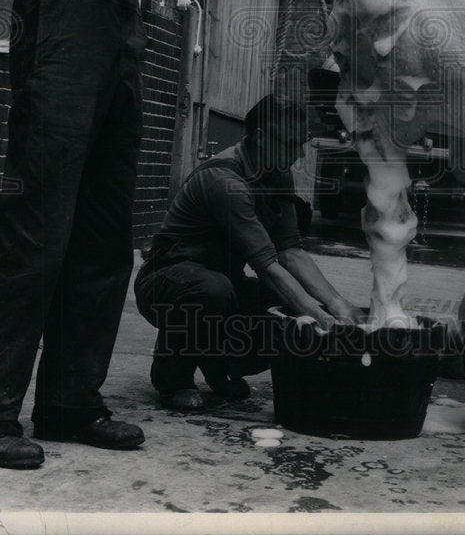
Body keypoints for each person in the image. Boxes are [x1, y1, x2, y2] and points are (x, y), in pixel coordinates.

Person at [0, 0, 347, 469]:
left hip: (114, 62)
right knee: (35, 242)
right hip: (59, 58)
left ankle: (68, 403)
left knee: (100, 243)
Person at [133, 94, 364, 411]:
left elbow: (291, 252)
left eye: (303, 143)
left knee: (281, 309)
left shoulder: (277, 174)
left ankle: (218, 366)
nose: (298, 154)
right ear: (261, 137)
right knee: (212, 290)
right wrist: (321, 318)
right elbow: (268, 266)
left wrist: (338, 305)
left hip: (220, 284)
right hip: (166, 282)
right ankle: (173, 380)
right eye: (291, 144)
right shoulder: (225, 181)